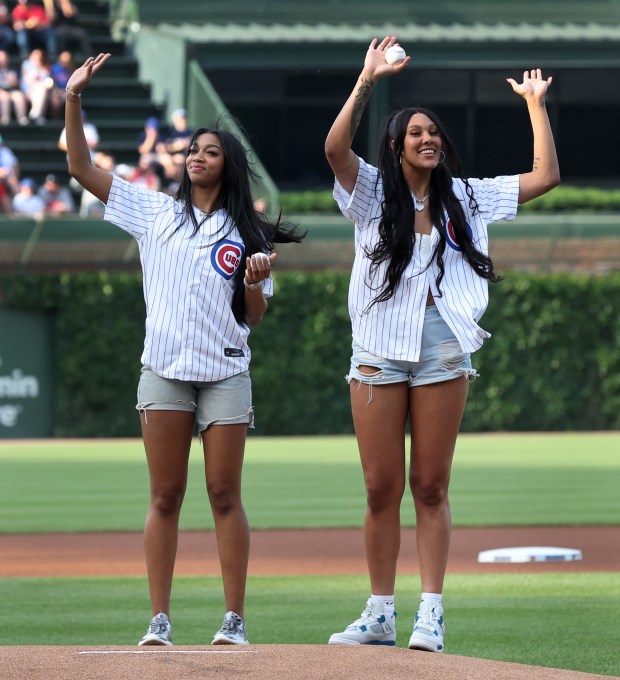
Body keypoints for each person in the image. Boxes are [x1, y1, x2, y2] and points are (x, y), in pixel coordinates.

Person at [324, 37, 560, 652]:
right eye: (416, 134)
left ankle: (431, 612)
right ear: (397, 146)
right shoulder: (372, 193)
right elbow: (333, 148)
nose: (428, 139)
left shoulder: (468, 196)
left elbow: (546, 177)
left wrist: (534, 104)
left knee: (430, 485)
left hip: (443, 348)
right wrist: (368, 78)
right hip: (377, 349)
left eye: (434, 133)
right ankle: (379, 612)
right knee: (381, 488)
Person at [64, 53, 304, 647]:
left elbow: (254, 319)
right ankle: (159, 619)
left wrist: (252, 283)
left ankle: (234, 620)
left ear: (228, 166)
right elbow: (78, 166)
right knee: (165, 495)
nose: (196, 155)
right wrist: (73, 99)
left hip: (224, 370)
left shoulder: (247, 232)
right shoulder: (154, 211)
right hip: (165, 371)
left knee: (225, 494)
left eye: (210, 151)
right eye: (192, 149)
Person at [0, 49, 29, 125]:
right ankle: (5, 119)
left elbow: (19, 84)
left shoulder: (13, 69)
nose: (2, 60)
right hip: (1, 91)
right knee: (4, 97)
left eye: (4, 58)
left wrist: (15, 82)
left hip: (12, 90)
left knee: (18, 96)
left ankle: (22, 118)